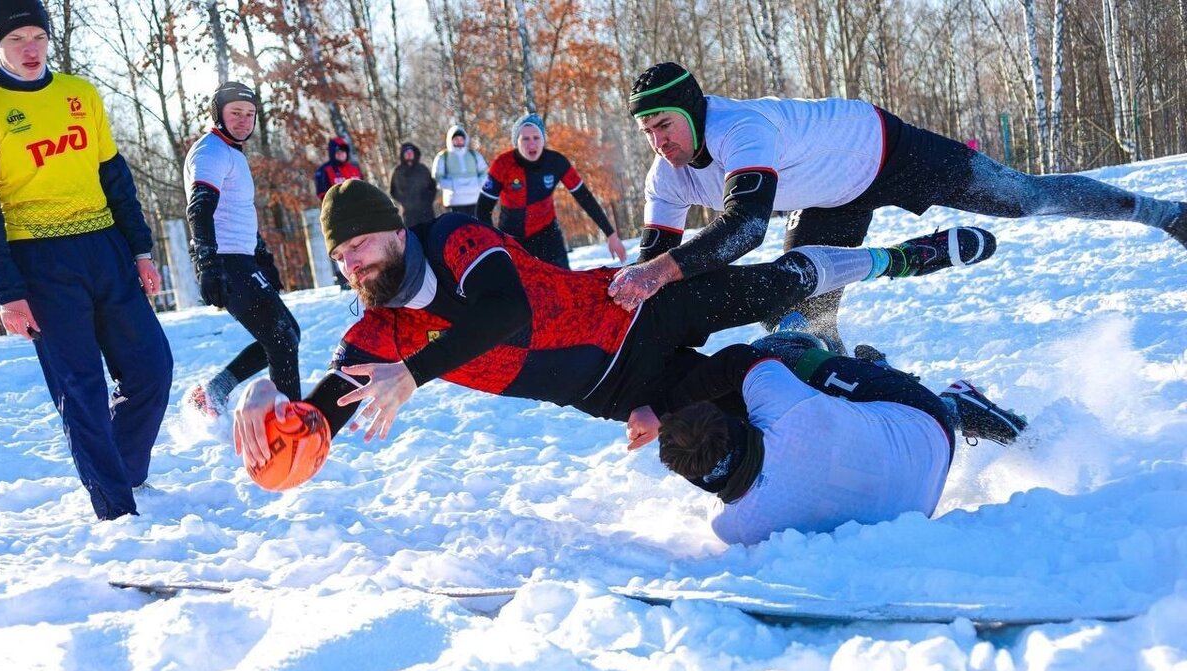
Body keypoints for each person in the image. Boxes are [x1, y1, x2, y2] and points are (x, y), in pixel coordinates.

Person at [231, 179, 998, 467]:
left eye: (359, 243)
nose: (352, 264)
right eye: (339, 257)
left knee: (778, 284)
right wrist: (272, 400)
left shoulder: (453, 239)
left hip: (636, 307)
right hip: (626, 390)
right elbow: (322, 409)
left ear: (393, 229)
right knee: (764, 416)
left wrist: (415, 375)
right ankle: (940, 404)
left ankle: (906, 257)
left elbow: (503, 312)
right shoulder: (381, 326)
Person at [611, 62, 1187, 352]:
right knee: (799, 311)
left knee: (1024, 198)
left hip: (889, 152)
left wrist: (658, 273)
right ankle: (860, 387)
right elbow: (653, 267)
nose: (660, 141)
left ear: (693, 112)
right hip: (830, 199)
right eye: (647, 131)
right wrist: (643, 289)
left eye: (665, 125)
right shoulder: (666, 176)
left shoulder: (741, 129)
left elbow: (746, 229)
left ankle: (1166, 214)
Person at [0, 0, 173, 520]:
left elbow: (115, 176)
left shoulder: (80, 94)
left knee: (152, 368)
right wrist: (8, 292)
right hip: (38, 259)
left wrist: (139, 250)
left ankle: (123, 469)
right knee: (81, 387)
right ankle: (116, 510)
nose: (30, 48)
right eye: (16, 38)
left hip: (106, 248)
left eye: (37, 37)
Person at [647, 334, 1028, 543]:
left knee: (832, 426)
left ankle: (885, 389)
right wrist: (663, 409)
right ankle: (949, 403)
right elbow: (739, 358)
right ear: (736, 426)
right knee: (775, 351)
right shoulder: (784, 409)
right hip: (921, 420)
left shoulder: (731, 528)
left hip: (919, 500)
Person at [182, 81, 301, 417]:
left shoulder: (231, 152)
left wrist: (262, 257)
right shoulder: (211, 151)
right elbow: (200, 209)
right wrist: (208, 265)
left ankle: (214, 392)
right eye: (235, 113)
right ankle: (289, 423)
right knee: (282, 340)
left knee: (287, 334)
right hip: (225, 260)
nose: (244, 121)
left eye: (250, 115)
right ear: (217, 113)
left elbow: (238, 212)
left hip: (242, 258)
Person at [476, 112, 627, 268]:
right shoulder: (502, 164)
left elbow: (584, 197)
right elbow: (482, 209)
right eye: (525, 139)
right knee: (521, 290)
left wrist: (611, 234)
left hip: (548, 235)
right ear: (516, 142)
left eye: (536, 138)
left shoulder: (556, 162)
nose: (531, 144)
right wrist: (492, 243)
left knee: (563, 285)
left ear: (543, 140)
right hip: (513, 239)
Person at [313, 135, 360, 289]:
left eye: (343, 152)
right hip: (337, 216)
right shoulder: (325, 171)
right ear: (333, 153)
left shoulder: (354, 168)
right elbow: (322, 194)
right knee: (341, 247)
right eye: (338, 152)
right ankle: (343, 278)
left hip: (358, 214)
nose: (341, 155)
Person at [432, 125, 488, 215]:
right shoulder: (443, 157)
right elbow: (437, 178)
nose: (459, 141)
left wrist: (477, 183)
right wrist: (454, 185)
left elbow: (484, 172)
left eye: (461, 139)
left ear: (465, 139)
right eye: (456, 139)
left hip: (475, 200)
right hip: (454, 201)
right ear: (450, 140)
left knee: (475, 227)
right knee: (457, 228)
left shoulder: (474, 155)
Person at [389, 142, 437, 228]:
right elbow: (394, 191)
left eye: (411, 152)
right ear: (402, 155)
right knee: (414, 236)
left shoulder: (423, 169)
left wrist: (428, 201)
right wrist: (406, 202)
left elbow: (432, 186)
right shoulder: (398, 172)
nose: (409, 155)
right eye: (406, 153)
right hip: (409, 213)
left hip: (426, 211)